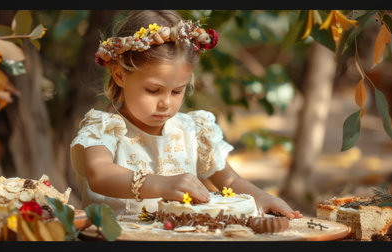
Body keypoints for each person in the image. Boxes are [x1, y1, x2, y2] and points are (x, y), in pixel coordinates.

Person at [70, 10, 303, 219]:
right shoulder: (104, 128)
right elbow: (99, 174)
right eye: (153, 90)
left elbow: (230, 181)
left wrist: (260, 197)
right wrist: (161, 184)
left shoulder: (193, 130)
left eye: (176, 91)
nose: (166, 103)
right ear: (120, 75)